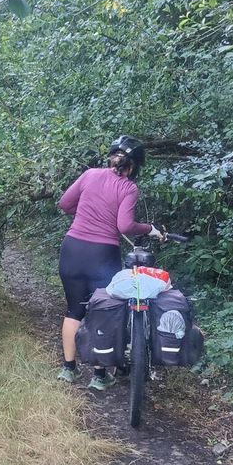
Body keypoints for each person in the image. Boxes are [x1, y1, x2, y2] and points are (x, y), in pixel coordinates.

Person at [57, 135, 164, 390]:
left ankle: (68, 369)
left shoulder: (90, 174)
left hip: (72, 249)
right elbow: (124, 226)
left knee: (74, 310)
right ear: (134, 165)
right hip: (102, 255)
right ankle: (99, 376)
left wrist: (87, 212)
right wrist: (149, 228)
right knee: (101, 312)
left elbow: (64, 204)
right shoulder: (129, 188)